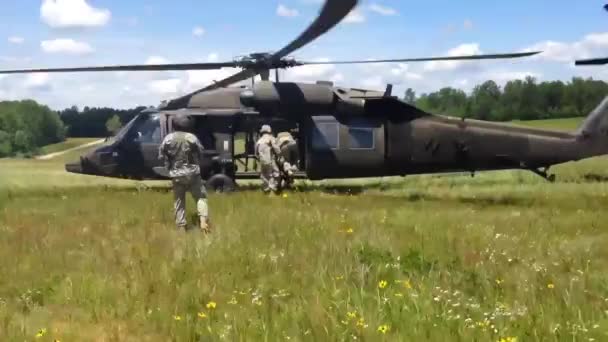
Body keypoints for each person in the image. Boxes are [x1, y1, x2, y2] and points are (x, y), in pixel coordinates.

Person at [158, 114, 211, 232]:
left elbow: (161, 155)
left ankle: (181, 226)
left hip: (176, 174)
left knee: (179, 201)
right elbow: (200, 151)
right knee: (201, 197)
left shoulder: (168, 138)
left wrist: (170, 164)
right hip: (192, 173)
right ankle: (203, 222)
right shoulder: (191, 137)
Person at [255, 124, 283, 193]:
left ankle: (266, 189)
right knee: (275, 174)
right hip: (270, 160)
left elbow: (256, 153)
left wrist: (259, 158)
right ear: (269, 131)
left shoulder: (259, 141)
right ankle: (273, 189)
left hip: (262, 161)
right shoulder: (271, 138)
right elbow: (276, 148)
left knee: (264, 175)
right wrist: (280, 154)